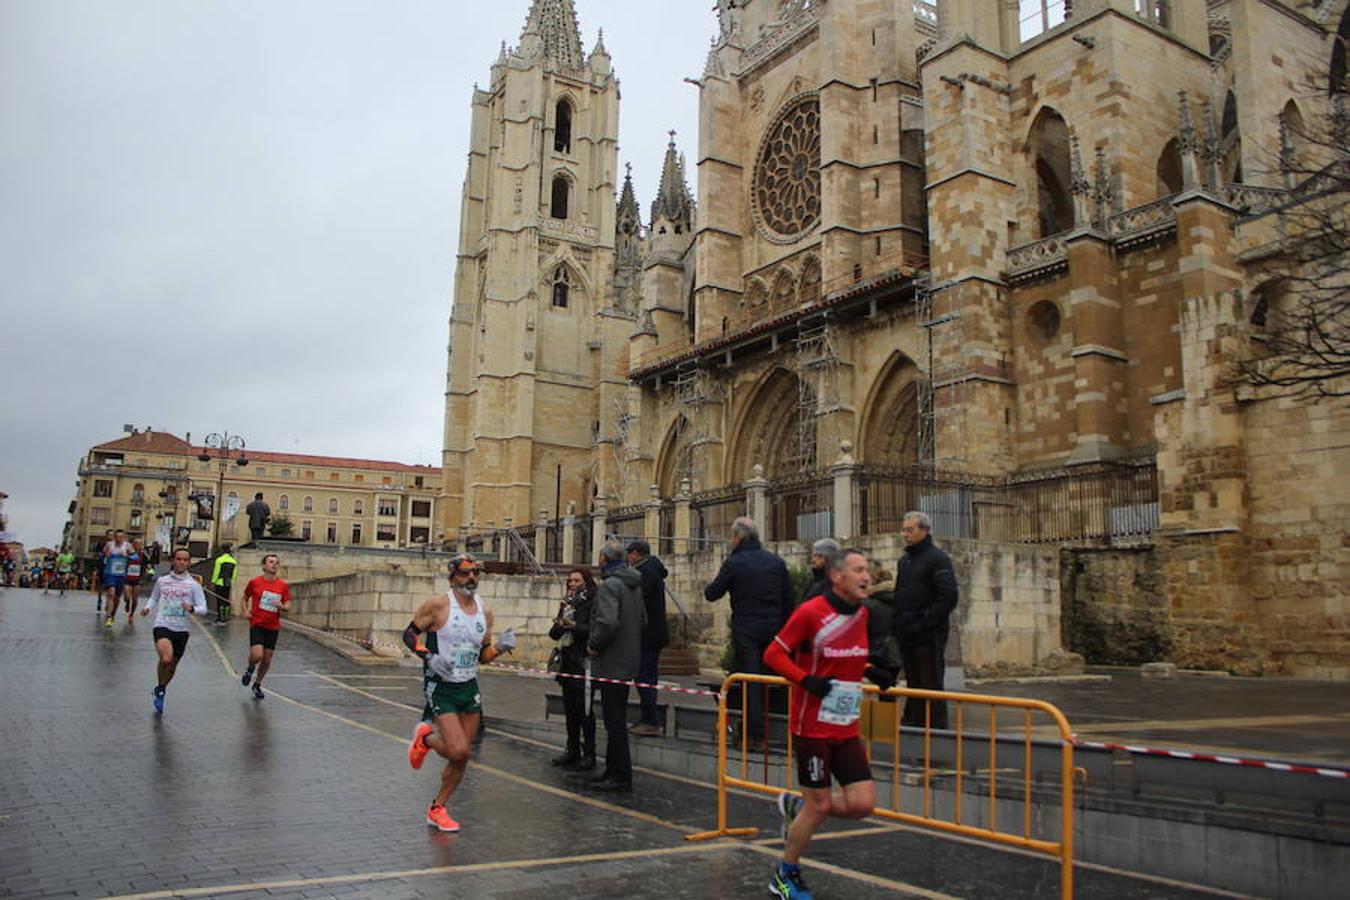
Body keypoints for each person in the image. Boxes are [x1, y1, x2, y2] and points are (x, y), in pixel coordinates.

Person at [763, 548, 895, 900]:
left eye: (867, 569)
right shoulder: (810, 613)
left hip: (846, 727)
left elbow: (847, 655)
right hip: (812, 727)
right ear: (837, 576)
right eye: (858, 570)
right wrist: (805, 680)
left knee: (863, 805)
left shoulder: (863, 615)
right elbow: (773, 654)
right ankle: (785, 873)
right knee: (820, 806)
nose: (867, 576)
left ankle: (796, 808)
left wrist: (873, 671)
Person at [403, 554, 516, 832]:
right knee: (459, 749)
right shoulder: (439, 605)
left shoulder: (484, 611)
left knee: (461, 756)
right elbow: (408, 634)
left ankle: (438, 808)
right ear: (453, 577)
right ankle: (426, 738)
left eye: (476, 573)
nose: (472, 578)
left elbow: (483, 657)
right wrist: (428, 656)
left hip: (468, 686)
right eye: (466, 573)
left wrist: (500, 647)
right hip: (441, 685)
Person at [703, 516, 794, 747]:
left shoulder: (735, 562)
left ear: (738, 538)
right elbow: (788, 600)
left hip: (746, 630)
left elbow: (713, 593)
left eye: (732, 537)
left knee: (750, 680)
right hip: (774, 628)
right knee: (769, 678)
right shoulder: (775, 562)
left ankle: (755, 735)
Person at [586, 538, 645, 792]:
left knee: (614, 721)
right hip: (629, 659)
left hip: (611, 662)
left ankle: (620, 775)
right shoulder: (633, 584)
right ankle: (612, 769)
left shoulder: (610, 585)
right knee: (615, 717)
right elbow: (642, 619)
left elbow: (608, 622)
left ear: (604, 559)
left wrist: (595, 644)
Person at [894, 511, 959, 730]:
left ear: (925, 530)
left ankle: (936, 731)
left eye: (910, 530)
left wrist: (925, 622)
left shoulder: (938, 559)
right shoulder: (905, 561)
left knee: (930, 684)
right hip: (906, 633)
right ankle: (913, 724)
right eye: (904, 529)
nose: (905, 534)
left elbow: (948, 597)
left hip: (928, 635)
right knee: (913, 684)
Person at [140, 547, 208, 715]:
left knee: (171, 666)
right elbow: (155, 597)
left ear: (189, 562)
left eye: (185, 560)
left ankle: (161, 688)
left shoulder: (194, 585)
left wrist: (192, 608)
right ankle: (161, 687)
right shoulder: (162, 581)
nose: (181, 562)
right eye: (179, 559)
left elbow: (203, 609)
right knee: (166, 658)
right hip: (162, 625)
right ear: (173, 560)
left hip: (182, 630)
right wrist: (148, 608)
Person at [547, 567, 597, 769]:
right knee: (570, 708)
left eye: (577, 580)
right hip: (567, 659)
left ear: (586, 581)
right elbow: (554, 634)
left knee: (585, 709)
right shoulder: (566, 603)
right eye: (570, 581)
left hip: (583, 660)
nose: (572, 584)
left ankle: (589, 753)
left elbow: (594, 629)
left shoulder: (592, 602)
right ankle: (572, 749)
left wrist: (575, 626)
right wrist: (561, 622)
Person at [626, 539, 668, 737]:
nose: (628, 558)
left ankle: (650, 721)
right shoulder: (652, 569)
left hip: (648, 634)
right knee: (645, 676)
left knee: (645, 677)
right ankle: (647, 718)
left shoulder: (646, 573)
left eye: (630, 554)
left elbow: (639, 601)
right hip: (652, 633)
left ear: (636, 554)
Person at [240, 553, 291, 700]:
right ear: (264, 566)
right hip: (257, 624)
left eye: (276, 562)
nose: (274, 564)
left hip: (273, 627)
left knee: (267, 660)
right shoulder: (255, 583)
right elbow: (244, 598)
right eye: (271, 562)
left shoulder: (282, 585)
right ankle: (250, 668)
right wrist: (245, 610)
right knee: (257, 655)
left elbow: (288, 604)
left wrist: (282, 606)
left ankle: (257, 684)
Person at [102, 530, 133, 627]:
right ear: (114, 537)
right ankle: (108, 617)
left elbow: (135, 557)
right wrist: (106, 555)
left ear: (123, 538)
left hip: (120, 574)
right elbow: (103, 556)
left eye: (121, 537)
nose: (119, 539)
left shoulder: (127, 545)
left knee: (117, 598)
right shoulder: (109, 545)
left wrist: (127, 556)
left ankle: (113, 614)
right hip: (110, 573)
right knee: (111, 593)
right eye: (117, 537)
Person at [799, 538, 840, 606]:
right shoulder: (813, 582)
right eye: (813, 556)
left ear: (828, 558)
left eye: (818, 556)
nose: (813, 560)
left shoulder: (832, 585)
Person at [210, 543, 238, 626]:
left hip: (219, 582)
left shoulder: (219, 560)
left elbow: (216, 572)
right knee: (226, 600)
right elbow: (234, 573)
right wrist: (231, 580)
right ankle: (226, 618)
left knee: (219, 600)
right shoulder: (233, 561)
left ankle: (220, 618)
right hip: (228, 583)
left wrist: (213, 581)